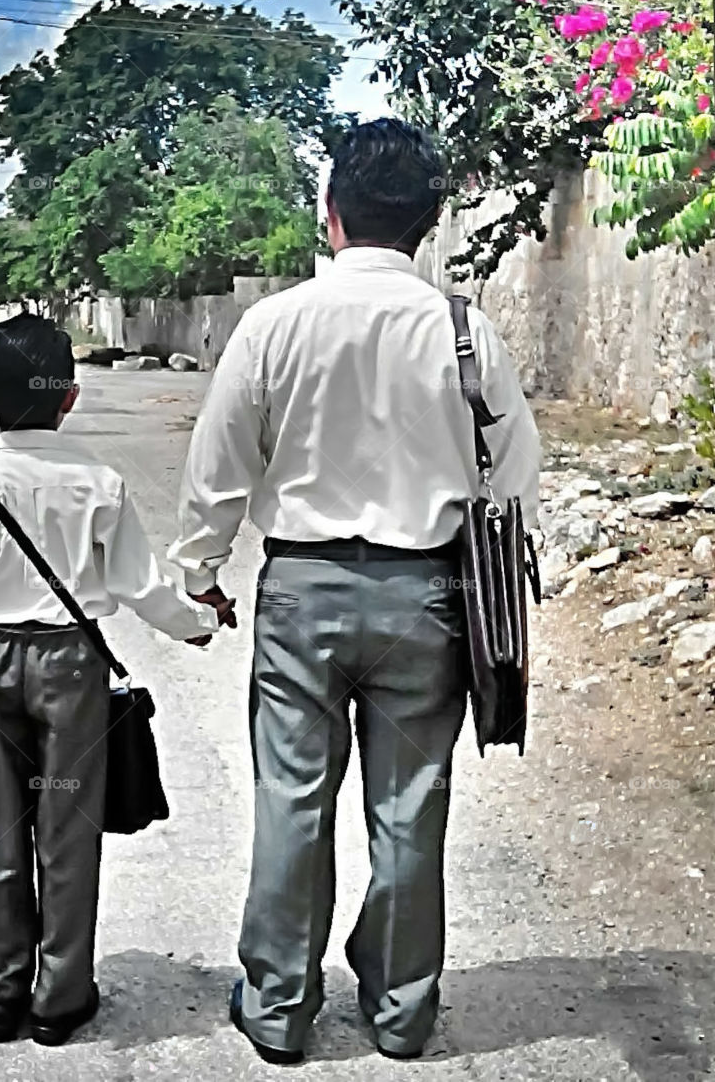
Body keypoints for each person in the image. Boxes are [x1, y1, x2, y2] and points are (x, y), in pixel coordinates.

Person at [170, 118, 541, 1064]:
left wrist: (200, 575)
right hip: (427, 599)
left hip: (303, 592)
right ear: (428, 220)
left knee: (292, 799)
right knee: (411, 805)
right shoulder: (466, 331)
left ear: (329, 211)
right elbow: (516, 481)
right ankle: (402, 1013)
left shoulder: (273, 323)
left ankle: (278, 1007)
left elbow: (218, 467)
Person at [0, 313, 230, 1047]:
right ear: (70, 397)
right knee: (68, 829)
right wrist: (196, 625)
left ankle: (1, 991)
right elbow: (138, 585)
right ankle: (59, 999)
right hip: (72, 665)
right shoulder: (98, 485)